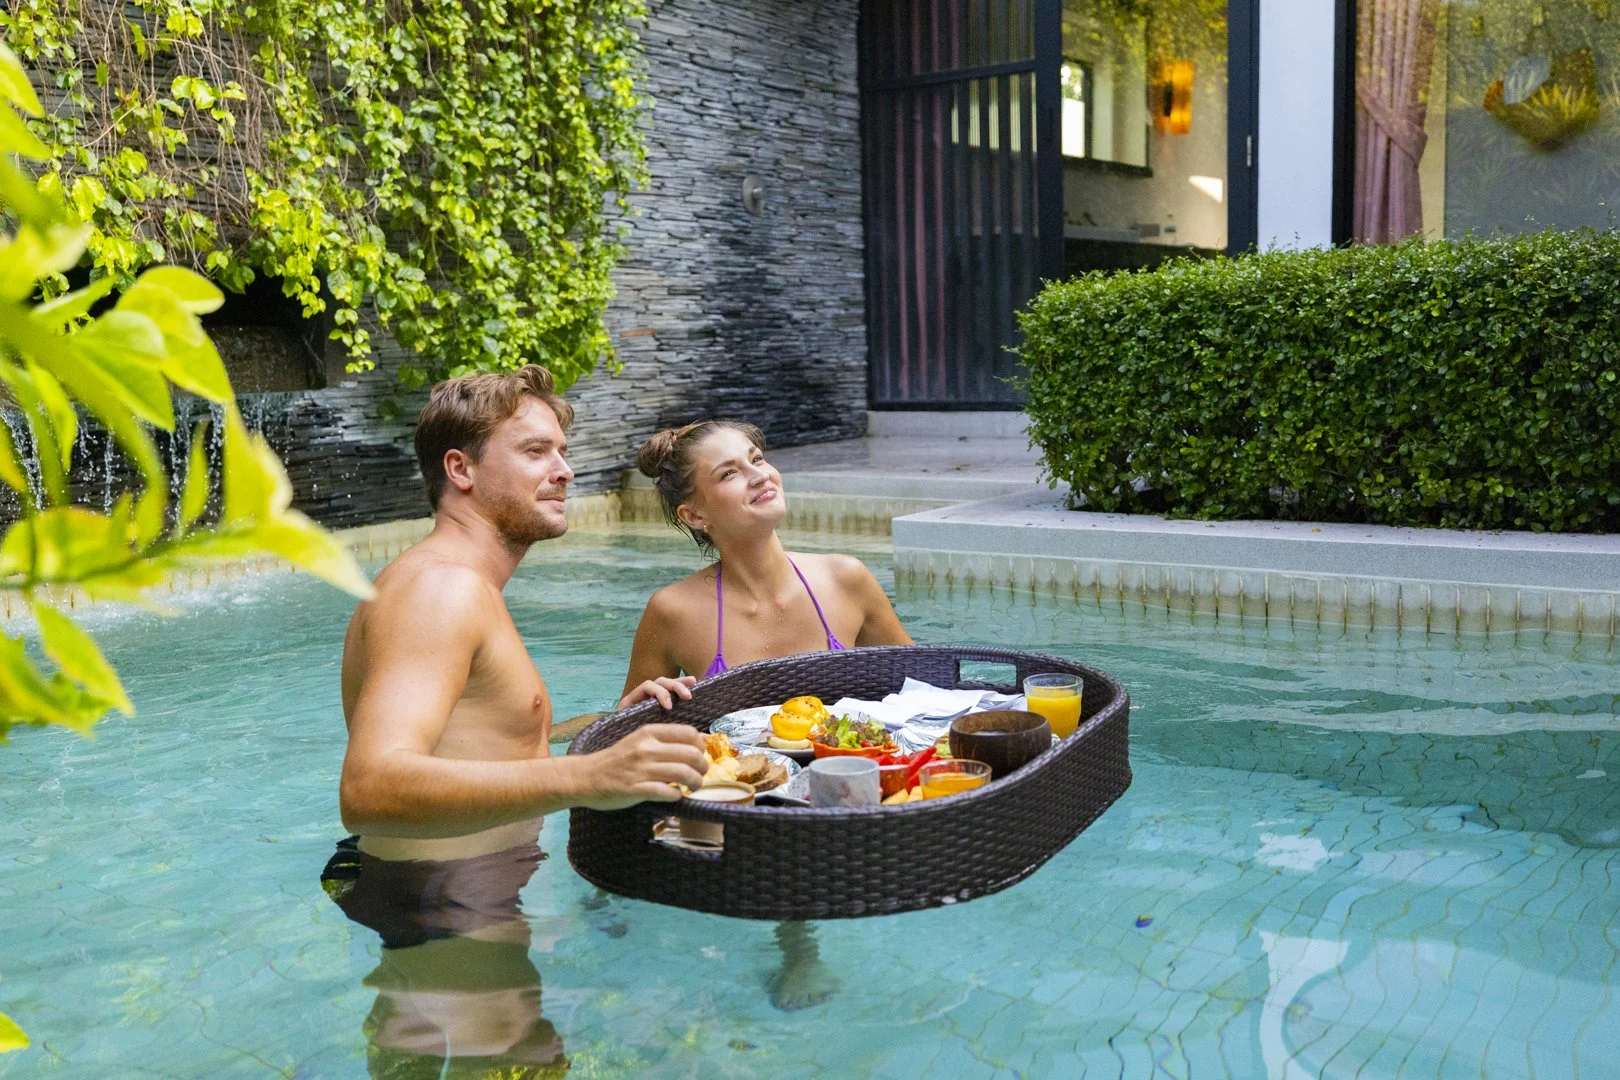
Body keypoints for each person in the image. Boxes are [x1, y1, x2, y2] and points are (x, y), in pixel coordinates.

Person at [337, 364, 708, 854]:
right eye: (535, 451)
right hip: (441, 903)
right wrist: (587, 775)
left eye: (562, 452)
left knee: (720, 847)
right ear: (460, 469)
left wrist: (608, 729)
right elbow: (369, 789)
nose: (565, 471)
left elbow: (482, 743)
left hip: (468, 887)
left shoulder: (463, 585)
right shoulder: (440, 589)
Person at [617, 420, 914, 1010]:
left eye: (756, 458)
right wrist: (632, 711)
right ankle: (790, 937)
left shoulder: (845, 579)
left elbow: (917, 695)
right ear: (695, 515)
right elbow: (628, 733)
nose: (758, 474)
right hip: (741, 827)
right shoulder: (673, 610)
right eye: (730, 472)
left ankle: (797, 939)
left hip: (841, 809)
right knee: (656, 829)